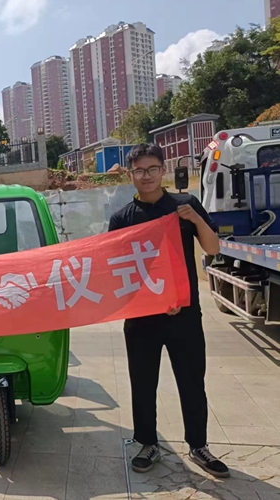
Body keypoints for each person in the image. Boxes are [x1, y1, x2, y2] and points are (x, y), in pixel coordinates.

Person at [108, 144, 229, 478]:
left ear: (163, 170)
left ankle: (199, 446)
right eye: (138, 171)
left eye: (151, 169)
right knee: (143, 383)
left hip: (184, 317)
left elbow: (213, 247)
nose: (145, 177)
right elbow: (112, 269)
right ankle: (147, 443)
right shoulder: (122, 219)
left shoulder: (184, 206)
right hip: (141, 319)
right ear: (130, 174)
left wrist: (194, 220)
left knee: (192, 382)